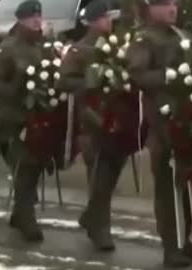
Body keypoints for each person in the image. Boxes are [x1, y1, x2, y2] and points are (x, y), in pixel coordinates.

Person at [126, 0, 192, 267]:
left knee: (186, 183)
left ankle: (187, 239)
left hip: (187, 119)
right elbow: (137, 75)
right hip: (161, 123)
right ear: (152, 8)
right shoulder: (144, 39)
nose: (173, 8)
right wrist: (168, 76)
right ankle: (171, 247)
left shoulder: (182, 35)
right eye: (166, 4)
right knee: (167, 188)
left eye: (175, 3)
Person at [57, 0, 128, 251]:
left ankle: (91, 217)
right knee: (98, 176)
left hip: (117, 122)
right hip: (91, 122)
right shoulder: (79, 50)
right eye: (106, 18)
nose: (111, 21)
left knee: (111, 176)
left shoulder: (115, 47)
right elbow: (64, 82)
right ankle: (100, 230)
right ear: (95, 20)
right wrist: (92, 83)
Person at [0, 0, 45, 242]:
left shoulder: (43, 46)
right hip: (13, 117)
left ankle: (20, 211)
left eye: (38, 16)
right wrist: (15, 86)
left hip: (39, 116)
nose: (36, 20)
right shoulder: (8, 48)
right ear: (20, 20)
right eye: (31, 17)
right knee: (25, 166)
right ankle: (25, 217)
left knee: (34, 165)